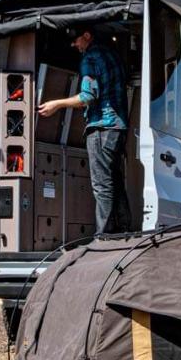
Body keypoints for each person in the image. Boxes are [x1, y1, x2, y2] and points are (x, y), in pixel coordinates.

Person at [38, 27, 131, 234]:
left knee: (102, 185)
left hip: (101, 127)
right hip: (118, 126)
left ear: (87, 35)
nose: (74, 45)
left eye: (76, 40)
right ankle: (124, 230)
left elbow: (87, 96)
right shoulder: (112, 54)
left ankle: (103, 236)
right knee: (114, 180)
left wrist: (56, 104)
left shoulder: (90, 58)